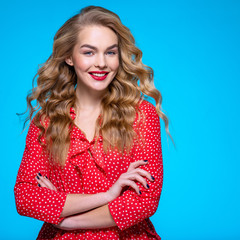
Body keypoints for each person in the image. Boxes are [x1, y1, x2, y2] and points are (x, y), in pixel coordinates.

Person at [14, 5, 170, 240]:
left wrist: (67, 220)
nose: (101, 63)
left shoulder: (141, 115)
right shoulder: (46, 121)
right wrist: (107, 196)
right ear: (69, 56)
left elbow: (144, 201)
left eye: (110, 52)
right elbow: (26, 198)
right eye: (89, 52)